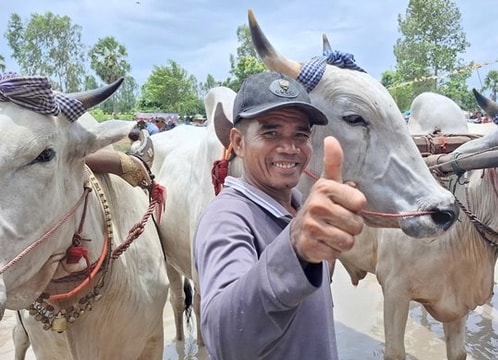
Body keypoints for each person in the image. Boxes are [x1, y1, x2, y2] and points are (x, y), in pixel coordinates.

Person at [193, 71, 367, 360]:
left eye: (301, 134)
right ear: (237, 142)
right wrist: (295, 249)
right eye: (270, 133)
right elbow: (224, 340)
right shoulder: (226, 219)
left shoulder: (301, 208)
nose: (289, 147)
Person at [85, 128, 154, 189]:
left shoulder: (133, 147)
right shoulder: (135, 146)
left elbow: (136, 161)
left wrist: (149, 181)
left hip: (131, 165)